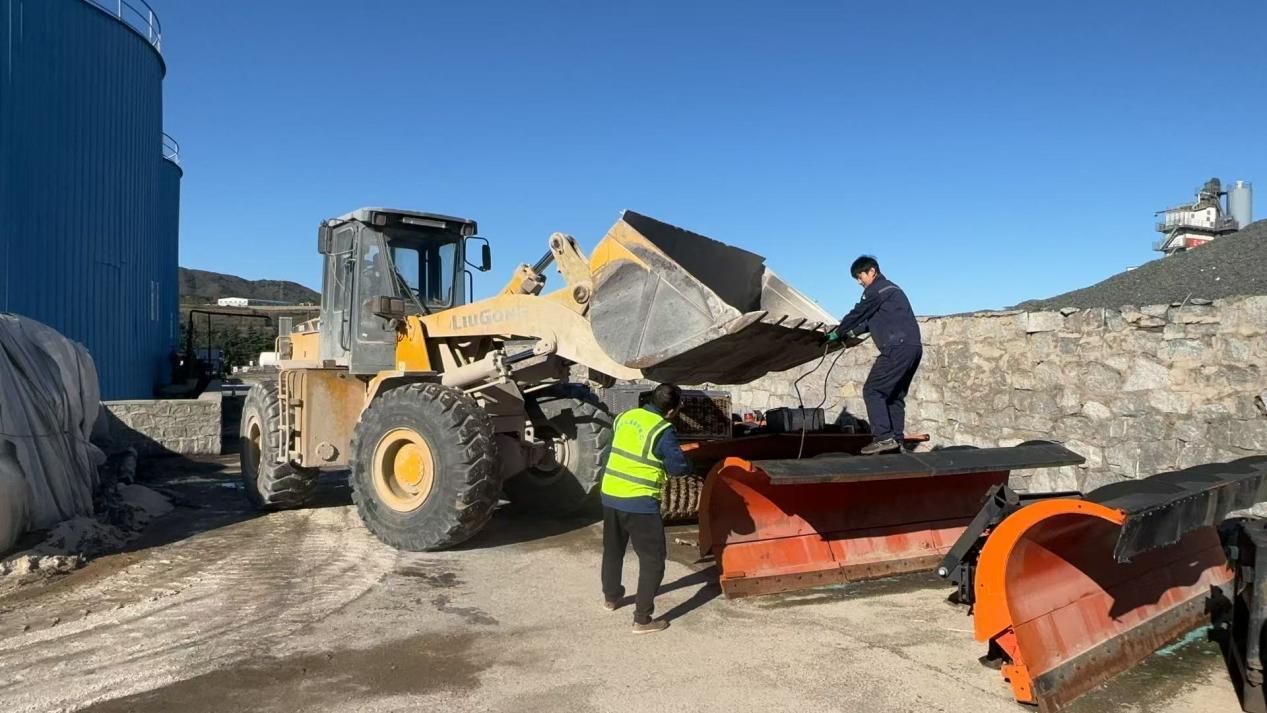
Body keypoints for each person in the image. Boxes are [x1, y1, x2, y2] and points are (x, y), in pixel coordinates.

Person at [600, 383, 692, 634]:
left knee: (613, 549)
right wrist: (688, 462)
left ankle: (611, 597)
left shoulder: (624, 417)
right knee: (653, 560)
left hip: (610, 493)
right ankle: (642, 619)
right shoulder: (662, 429)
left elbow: (611, 452)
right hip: (639, 502)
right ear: (672, 410)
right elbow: (677, 468)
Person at [826, 256, 922, 455]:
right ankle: (896, 441)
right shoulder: (891, 290)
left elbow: (859, 313)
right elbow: (871, 321)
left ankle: (883, 438)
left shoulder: (876, 289)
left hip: (896, 348)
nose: (859, 281)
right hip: (912, 348)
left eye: (860, 276)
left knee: (872, 390)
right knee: (894, 395)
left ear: (872, 271)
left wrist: (839, 331)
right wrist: (853, 333)